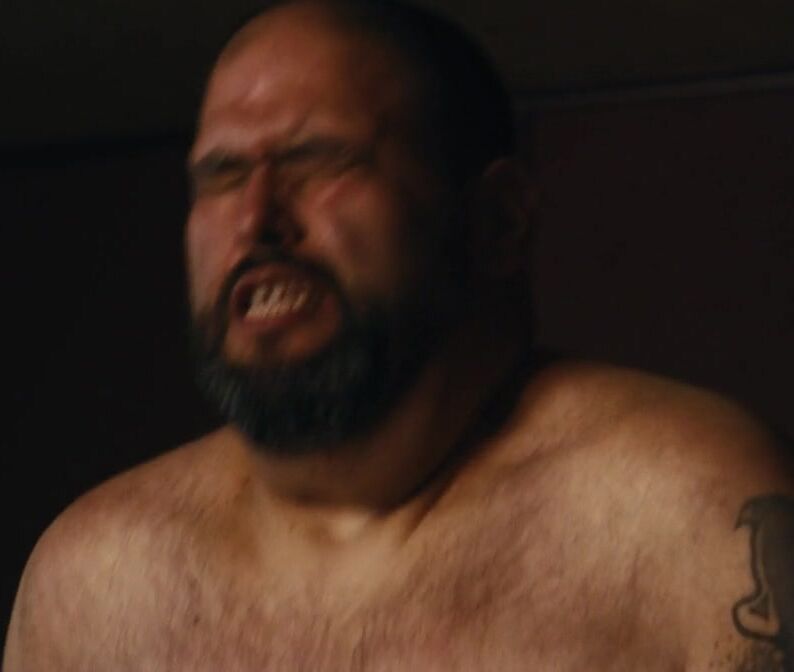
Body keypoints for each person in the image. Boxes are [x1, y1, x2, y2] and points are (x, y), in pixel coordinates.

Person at [4, 0, 793, 669]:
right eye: (221, 176)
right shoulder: (92, 581)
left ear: (498, 222)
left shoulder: (692, 515)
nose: (256, 220)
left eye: (319, 160)